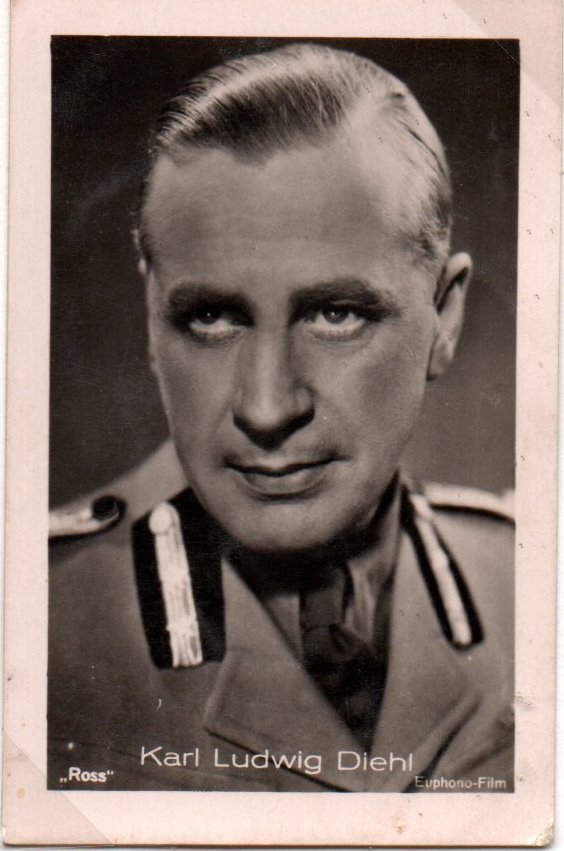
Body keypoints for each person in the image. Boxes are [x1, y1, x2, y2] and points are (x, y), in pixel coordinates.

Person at [48, 43, 514, 792]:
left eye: (336, 313)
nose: (267, 408)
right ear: (150, 318)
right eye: (210, 317)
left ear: (444, 318)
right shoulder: (31, 621)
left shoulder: (530, 588)